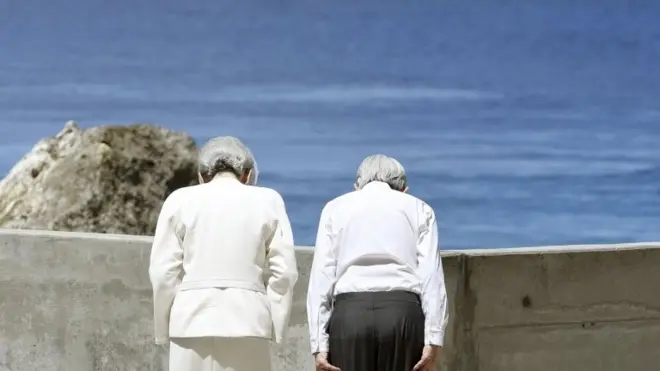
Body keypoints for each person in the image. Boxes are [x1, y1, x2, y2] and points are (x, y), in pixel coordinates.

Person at [149, 136, 298, 371]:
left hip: (189, 322)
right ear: (247, 174)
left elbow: (162, 272)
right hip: (249, 321)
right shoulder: (268, 200)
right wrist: (276, 324)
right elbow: (285, 272)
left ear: (202, 175)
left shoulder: (179, 200)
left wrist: (163, 326)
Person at [307, 154, 449, 371]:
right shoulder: (420, 209)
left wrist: (319, 345)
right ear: (403, 189)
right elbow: (432, 278)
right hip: (402, 313)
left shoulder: (334, 209)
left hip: (350, 315)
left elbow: (321, 279)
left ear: (358, 186)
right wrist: (433, 339)